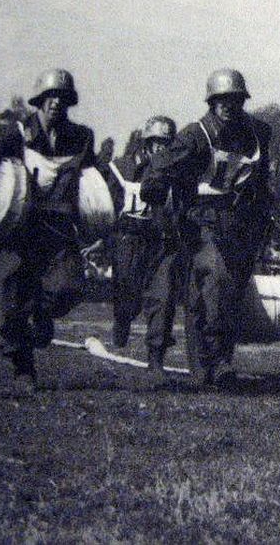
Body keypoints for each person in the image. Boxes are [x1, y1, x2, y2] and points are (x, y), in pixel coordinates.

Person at [0, 68, 97, 391]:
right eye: (49, 97)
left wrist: (97, 222)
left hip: (58, 232)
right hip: (16, 231)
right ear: (38, 101)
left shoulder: (81, 138)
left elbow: (94, 182)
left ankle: (43, 315)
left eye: (61, 98)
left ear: (69, 103)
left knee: (69, 288)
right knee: (12, 305)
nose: (54, 104)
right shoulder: (15, 134)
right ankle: (23, 370)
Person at [140, 69, 273, 386]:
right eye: (221, 100)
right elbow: (159, 167)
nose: (228, 106)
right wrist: (155, 190)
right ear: (212, 102)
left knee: (222, 293)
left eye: (235, 100)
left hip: (238, 225)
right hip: (200, 224)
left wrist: (264, 213)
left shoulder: (255, 135)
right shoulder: (194, 135)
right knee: (216, 278)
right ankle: (217, 360)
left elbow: (262, 179)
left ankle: (209, 367)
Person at [100, 115, 184, 383]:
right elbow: (107, 204)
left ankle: (156, 358)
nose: (161, 147)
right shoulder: (121, 168)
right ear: (146, 142)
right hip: (128, 239)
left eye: (166, 142)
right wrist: (104, 238)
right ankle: (122, 319)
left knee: (163, 297)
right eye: (156, 142)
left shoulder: (176, 171)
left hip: (160, 241)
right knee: (127, 294)